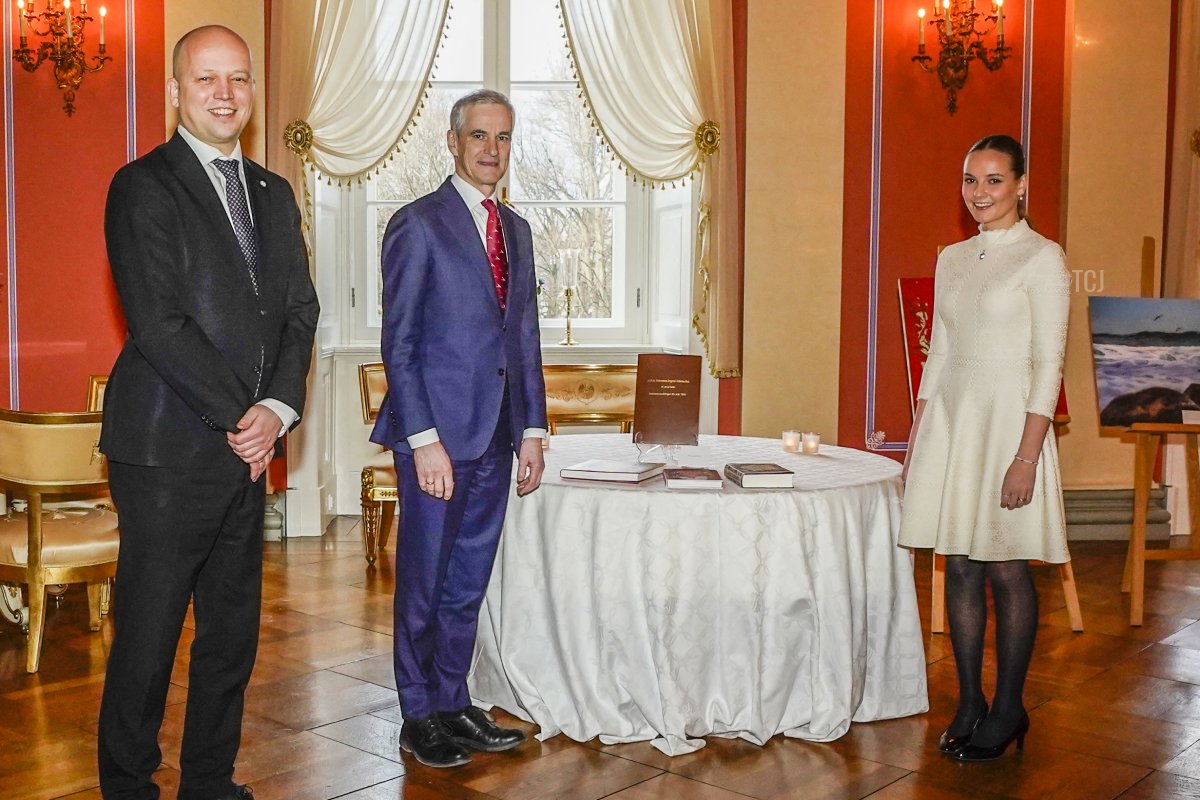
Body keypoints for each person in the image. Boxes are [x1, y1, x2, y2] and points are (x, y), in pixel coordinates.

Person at [97, 25, 319, 800]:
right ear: (176, 92)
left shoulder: (274, 191)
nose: (225, 94)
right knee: (149, 642)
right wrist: (245, 418)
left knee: (231, 637)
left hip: (246, 449)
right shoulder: (142, 185)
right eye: (207, 80)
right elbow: (159, 324)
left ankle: (210, 783)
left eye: (239, 79)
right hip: (164, 451)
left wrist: (279, 408)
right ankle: (128, 786)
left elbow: (299, 310)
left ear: (253, 91)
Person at [369, 88, 547, 769]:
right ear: (452, 140)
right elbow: (401, 343)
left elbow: (522, 339)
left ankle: (452, 701)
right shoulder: (418, 225)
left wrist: (532, 429)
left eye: (502, 138)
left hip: (498, 437)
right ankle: (418, 715)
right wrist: (423, 442)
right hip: (437, 442)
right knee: (423, 582)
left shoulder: (518, 232)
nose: (490, 150)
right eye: (478, 135)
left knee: (466, 582)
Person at [899, 134, 1070, 762]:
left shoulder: (1042, 257)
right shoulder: (953, 258)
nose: (980, 193)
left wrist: (1026, 457)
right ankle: (969, 701)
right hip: (953, 427)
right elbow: (939, 353)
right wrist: (922, 434)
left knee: (1006, 566)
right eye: (971, 180)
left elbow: (1048, 366)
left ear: (1021, 185)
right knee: (961, 565)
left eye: (994, 180)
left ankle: (1009, 707)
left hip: (1009, 431)